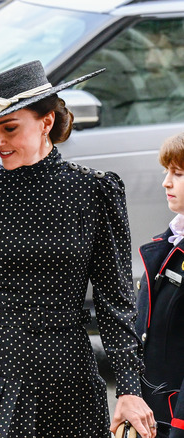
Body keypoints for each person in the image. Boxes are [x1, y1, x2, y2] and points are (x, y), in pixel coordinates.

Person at [0, 60, 157, 437]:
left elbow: (115, 300)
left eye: (10, 127)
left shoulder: (95, 192)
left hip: (70, 378)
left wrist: (129, 389)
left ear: (46, 122)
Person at [136, 133, 184, 438]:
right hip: (157, 415)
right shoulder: (168, 243)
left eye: (178, 174)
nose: (166, 182)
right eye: (166, 172)